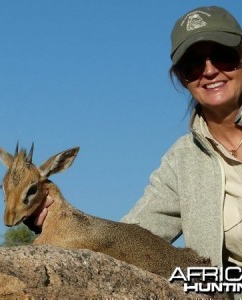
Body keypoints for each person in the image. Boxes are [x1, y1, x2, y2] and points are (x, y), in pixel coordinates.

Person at [26, 5, 242, 298]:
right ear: (181, 77)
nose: (209, 70)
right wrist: (59, 220)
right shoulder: (182, 161)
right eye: (192, 63)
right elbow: (128, 238)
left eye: (224, 56)